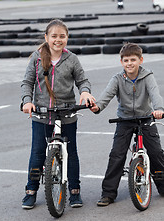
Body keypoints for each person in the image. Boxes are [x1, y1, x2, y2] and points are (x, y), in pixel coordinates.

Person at [21, 19, 95, 209]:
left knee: (71, 153)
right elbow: (27, 83)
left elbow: (82, 80)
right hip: (41, 113)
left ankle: (74, 191)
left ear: (67, 38)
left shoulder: (71, 59)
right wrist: (27, 101)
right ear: (46, 37)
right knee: (37, 153)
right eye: (54, 36)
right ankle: (30, 191)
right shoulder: (37, 58)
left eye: (62, 36)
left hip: (67, 113)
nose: (58, 40)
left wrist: (85, 92)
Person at [91, 42, 164, 206]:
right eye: (126, 60)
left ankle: (162, 185)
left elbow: (155, 94)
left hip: (146, 118)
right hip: (124, 120)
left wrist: (159, 109)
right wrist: (98, 107)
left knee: (156, 153)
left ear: (140, 60)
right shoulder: (117, 79)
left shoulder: (147, 77)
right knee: (117, 155)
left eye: (133, 60)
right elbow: (106, 95)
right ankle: (108, 193)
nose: (129, 63)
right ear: (121, 62)